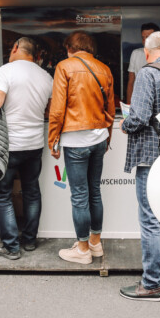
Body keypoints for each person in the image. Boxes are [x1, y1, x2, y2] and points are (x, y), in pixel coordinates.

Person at [119, 31, 160, 301]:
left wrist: (125, 123)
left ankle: (151, 283)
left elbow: (140, 115)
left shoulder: (148, 73)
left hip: (150, 152)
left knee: (149, 219)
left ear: (147, 52)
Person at [49, 31, 115, 264]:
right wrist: (107, 138)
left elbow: (57, 108)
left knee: (79, 196)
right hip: (98, 138)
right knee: (94, 192)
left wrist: (53, 139)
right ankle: (95, 244)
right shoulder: (104, 69)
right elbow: (111, 108)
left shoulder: (64, 66)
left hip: (75, 140)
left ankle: (83, 250)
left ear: (70, 48)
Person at [0, 37, 53, 259]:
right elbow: (49, 112)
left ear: (15, 48)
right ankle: (30, 240)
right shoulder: (45, 76)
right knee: (31, 191)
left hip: (9, 145)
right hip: (34, 144)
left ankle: (11, 247)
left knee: (2, 194)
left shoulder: (6, 71)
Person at [126, 22, 160, 103]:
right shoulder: (136, 53)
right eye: (143, 37)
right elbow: (131, 82)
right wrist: (129, 105)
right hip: (142, 100)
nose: (145, 40)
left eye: (148, 37)